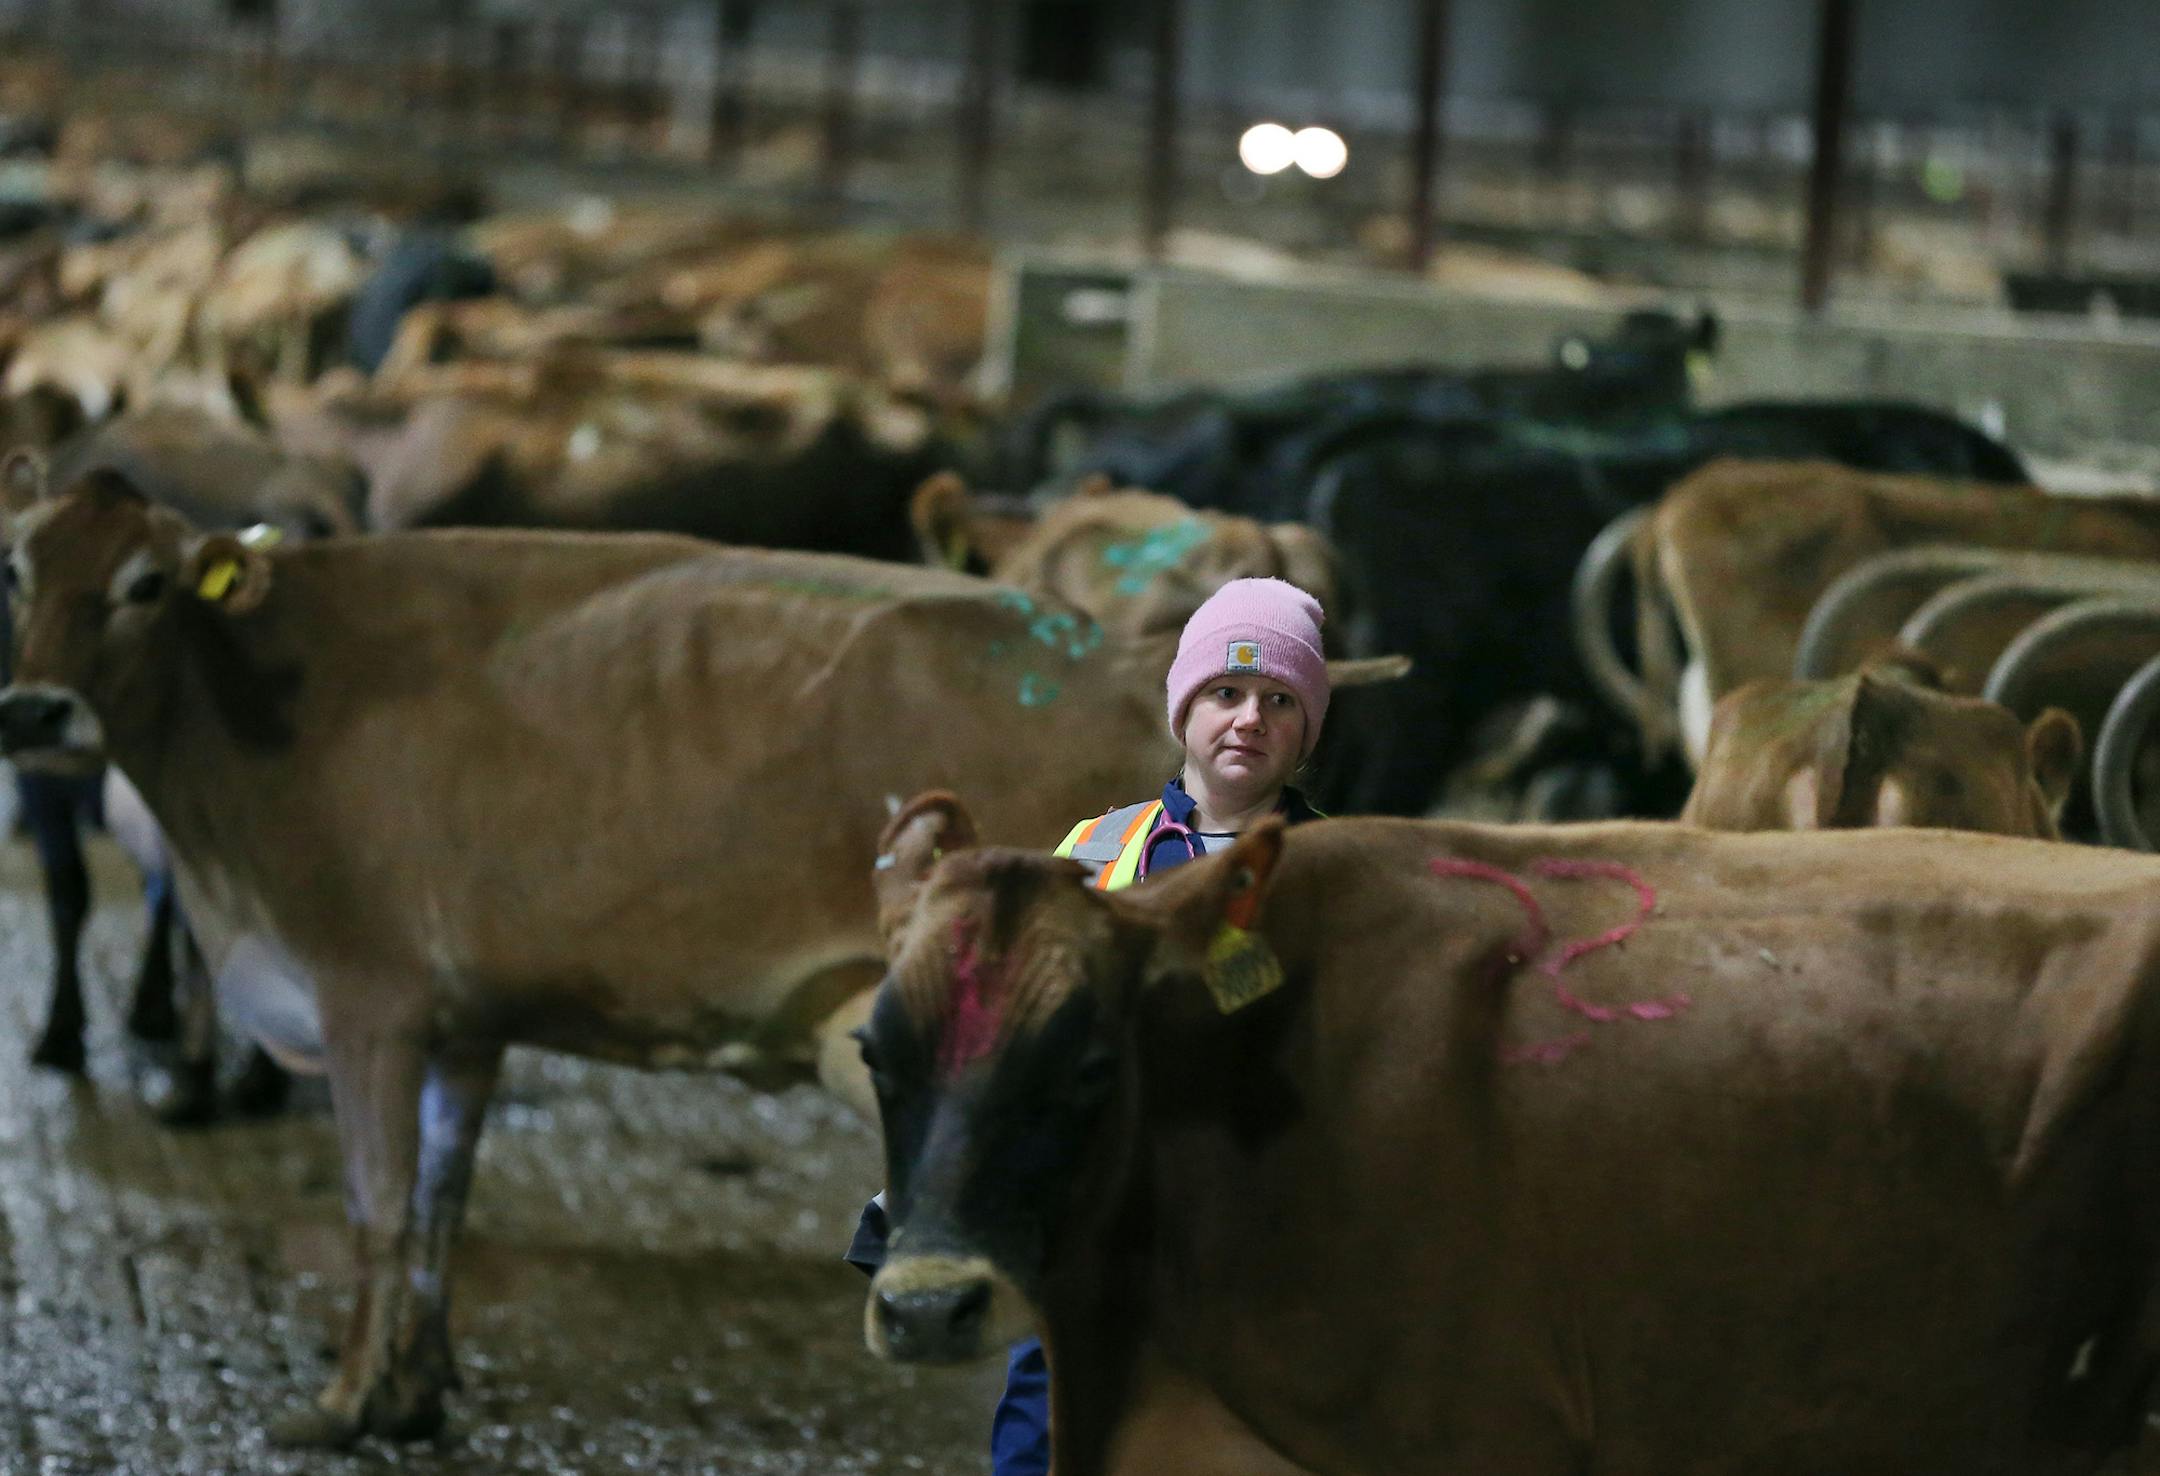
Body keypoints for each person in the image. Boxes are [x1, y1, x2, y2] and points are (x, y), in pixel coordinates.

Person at [844, 576, 1332, 1476]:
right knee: (1054, 1408)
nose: (1248, 720)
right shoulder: (1098, 849)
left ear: (1307, 729)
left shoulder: (1332, 871)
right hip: (1091, 1189)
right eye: (1224, 693)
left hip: (1255, 1196)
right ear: (1183, 709)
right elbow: (998, 1024)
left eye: (1279, 701)